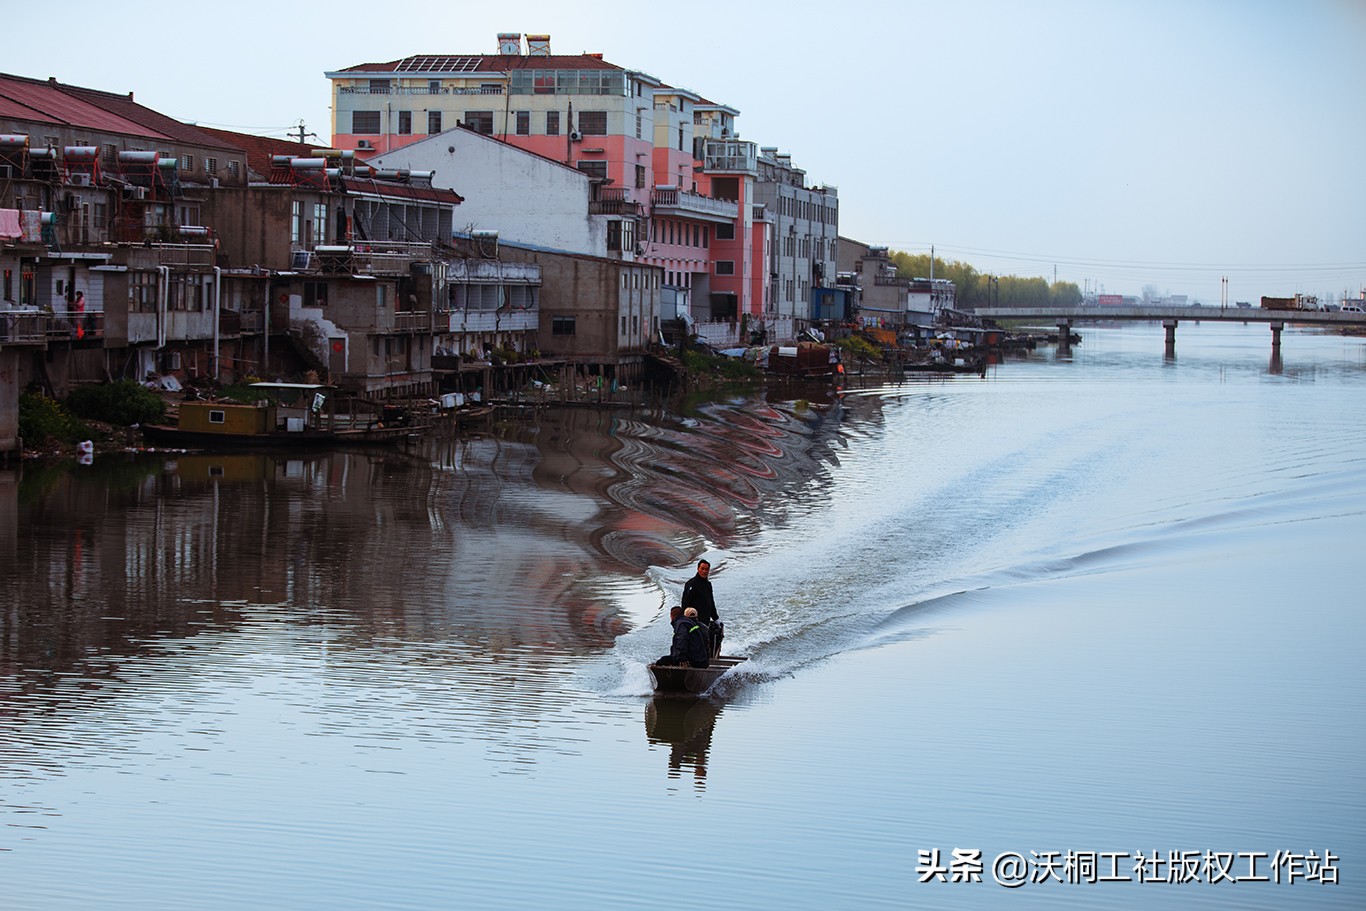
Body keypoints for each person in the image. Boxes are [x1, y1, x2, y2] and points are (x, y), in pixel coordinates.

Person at [681, 559, 723, 657]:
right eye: (702, 569)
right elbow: (685, 604)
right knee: (696, 644)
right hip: (693, 622)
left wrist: (716, 618)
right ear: (698, 569)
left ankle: (706, 660)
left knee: (706, 642)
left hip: (705, 621)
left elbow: (711, 602)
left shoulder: (708, 585)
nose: (704, 571)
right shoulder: (691, 584)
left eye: (706, 569)